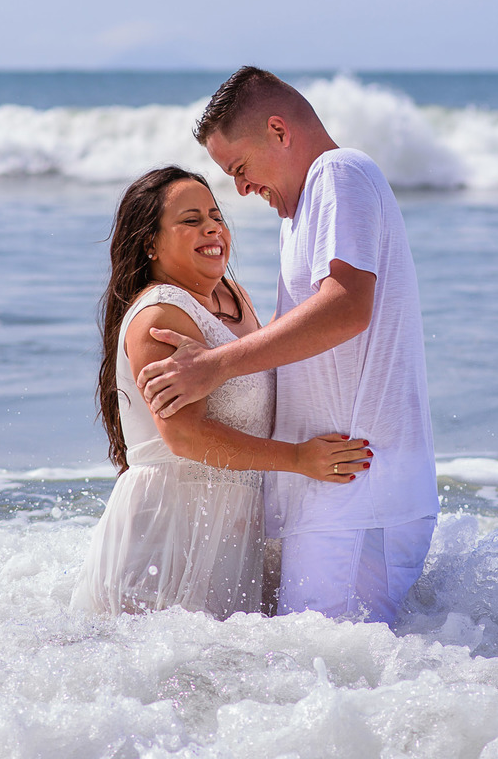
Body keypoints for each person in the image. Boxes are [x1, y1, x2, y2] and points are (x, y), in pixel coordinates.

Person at [137, 68, 439, 627]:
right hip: (332, 493)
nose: (242, 190)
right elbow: (295, 330)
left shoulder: (339, 174)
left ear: (279, 130)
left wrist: (215, 365)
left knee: (331, 680)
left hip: (356, 492)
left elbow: (347, 307)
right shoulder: (299, 212)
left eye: (240, 169)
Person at [72, 166, 373, 619]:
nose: (212, 227)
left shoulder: (234, 296)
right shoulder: (161, 314)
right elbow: (184, 438)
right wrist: (298, 459)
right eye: (190, 220)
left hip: (227, 533)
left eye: (216, 215)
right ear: (150, 243)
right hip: (168, 535)